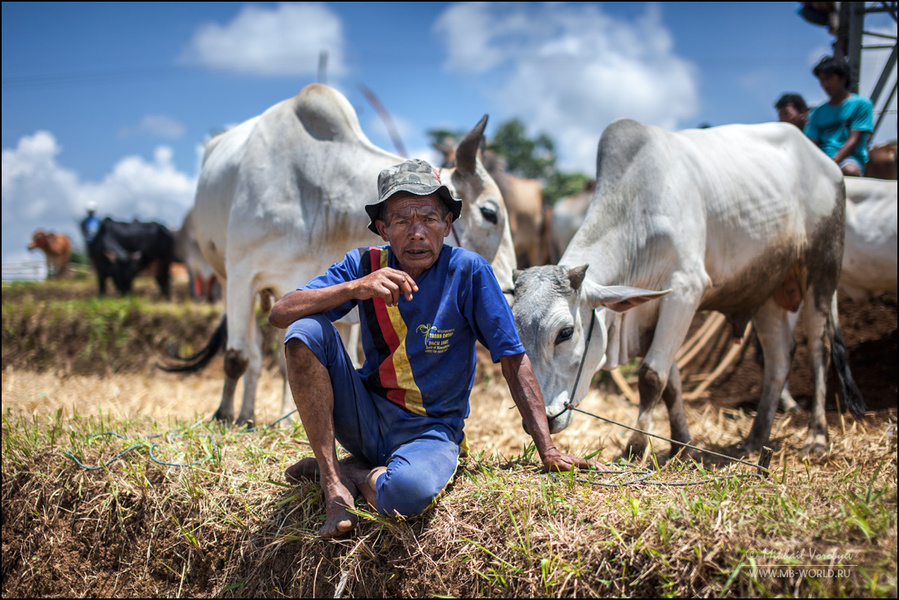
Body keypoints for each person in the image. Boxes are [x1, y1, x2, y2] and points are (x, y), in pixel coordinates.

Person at [269, 158, 599, 538]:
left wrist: (548, 450)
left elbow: (513, 358)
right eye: (402, 220)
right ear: (382, 229)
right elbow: (280, 313)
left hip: (431, 430)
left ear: (447, 224)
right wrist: (355, 288)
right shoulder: (366, 265)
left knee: (407, 495)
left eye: (428, 218)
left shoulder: (469, 272)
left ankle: (353, 471)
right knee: (305, 332)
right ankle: (333, 485)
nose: (417, 233)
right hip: (366, 417)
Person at [805, 56, 874, 176]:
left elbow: (854, 140)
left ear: (843, 78)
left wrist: (833, 163)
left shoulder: (861, 104)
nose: (825, 84)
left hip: (848, 160)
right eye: (821, 81)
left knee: (850, 171)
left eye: (829, 78)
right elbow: (812, 143)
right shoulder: (817, 112)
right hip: (821, 160)